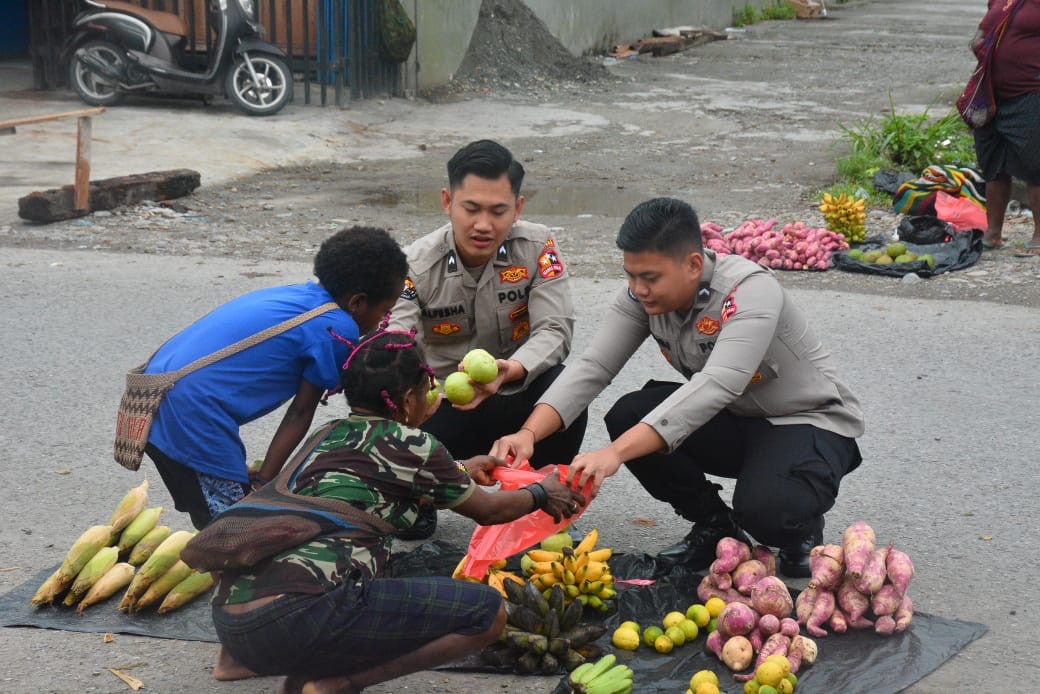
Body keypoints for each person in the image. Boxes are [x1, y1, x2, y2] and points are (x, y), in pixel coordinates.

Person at [491, 198, 864, 578]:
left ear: (693, 265)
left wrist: (614, 454)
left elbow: (719, 381)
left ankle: (801, 526)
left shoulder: (749, 291)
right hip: (735, 418)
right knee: (629, 414)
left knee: (769, 511)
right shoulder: (640, 297)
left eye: (650, 278)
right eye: (631, 276)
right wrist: (528, 433)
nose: (638, 289)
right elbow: (595, 366)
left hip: (806, 421)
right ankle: (716, 526)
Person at [209, 329, 586, 692]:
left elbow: (383, 485)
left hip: (233, 625)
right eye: (428, 389)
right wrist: (541, 493)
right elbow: (488, 510)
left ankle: (232, 663)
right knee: (486, 613)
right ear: (407, 400)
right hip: (302, 618)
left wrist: (459, 470)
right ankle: (338, 684)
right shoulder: (413, 442)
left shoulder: (328, 433)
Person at [141, 226, 408, 529]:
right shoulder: (337, 327)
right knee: (236, 531)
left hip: (153, 397)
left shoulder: (301, 296)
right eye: (385, 310)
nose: (383, 322)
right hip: (190, 414)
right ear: (357, 302)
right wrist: (267, 479)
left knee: (224, 515)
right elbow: (300, 412)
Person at [387, 139, 587, 539]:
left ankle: (541, 496)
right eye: (471, 209)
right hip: (442, 409)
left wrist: (509, 370)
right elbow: (394, 340)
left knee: (567, 386)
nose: (484, 225)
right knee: (389, 395)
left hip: (515, 397)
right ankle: (422, 495)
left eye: (498, 211)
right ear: (447, 202)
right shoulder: (414, 264)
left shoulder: (537, 247)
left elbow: (555, 330)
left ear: (518, 207)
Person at [969, 0, 1040, 255]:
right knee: (993, 163)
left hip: (1031, 92)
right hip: (991, 95)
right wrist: (978, 42)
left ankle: (1039, 236)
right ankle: (993, 233)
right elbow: (983, 31)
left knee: (1035, 164)